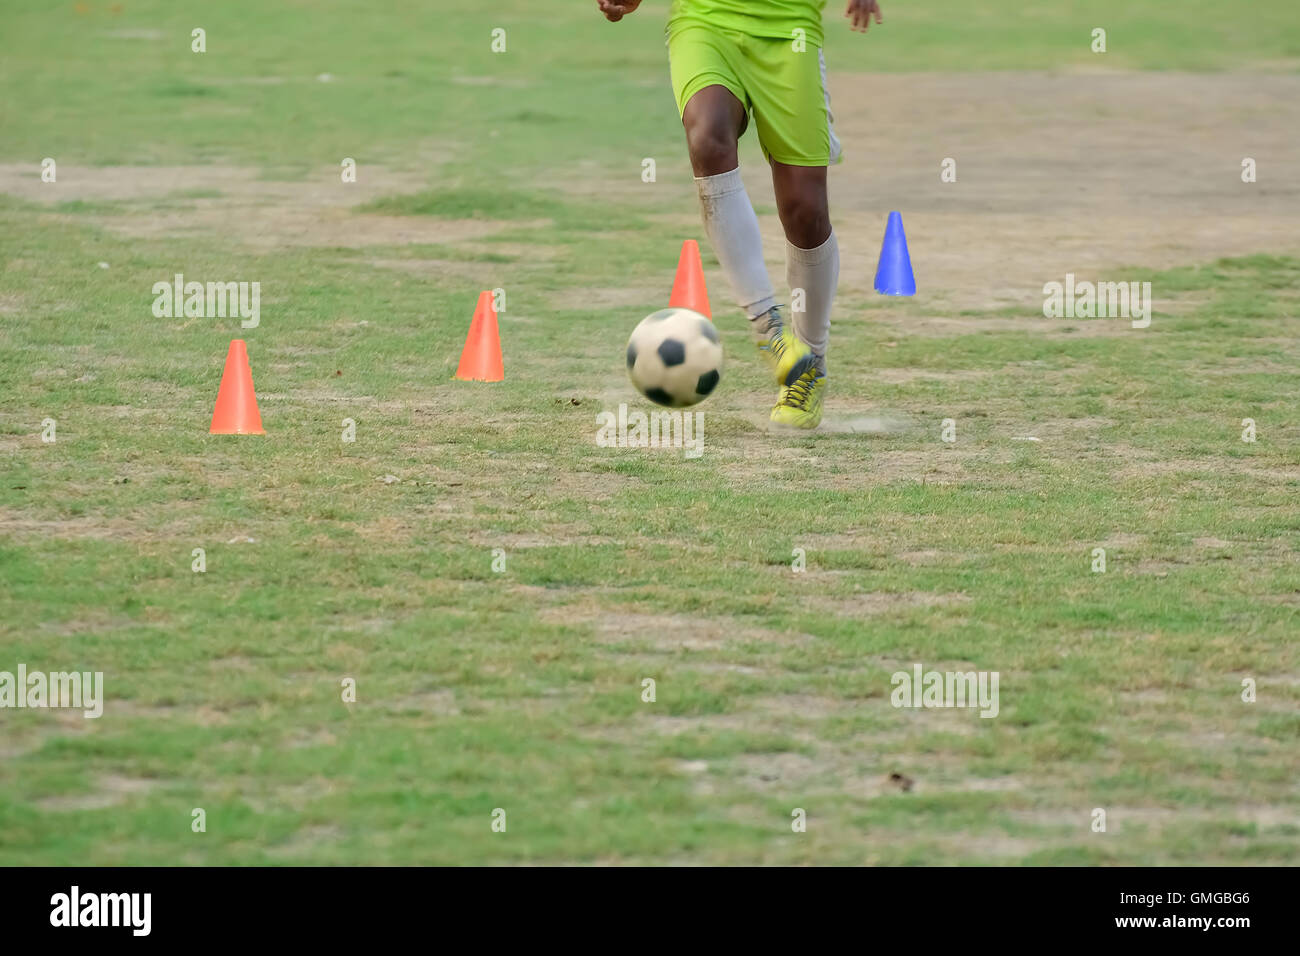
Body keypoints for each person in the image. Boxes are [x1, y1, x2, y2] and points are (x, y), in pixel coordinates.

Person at [598, 0, 883, 428]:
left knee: (805, 210)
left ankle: (810, 366)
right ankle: (768, 329)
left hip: (791, 29)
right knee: (708, 137)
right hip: (705, 18)